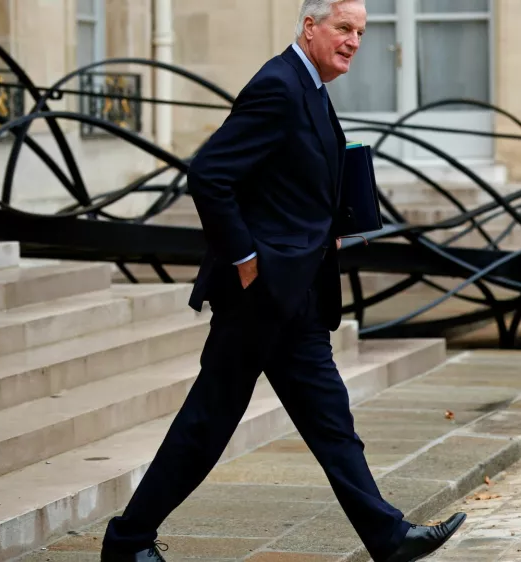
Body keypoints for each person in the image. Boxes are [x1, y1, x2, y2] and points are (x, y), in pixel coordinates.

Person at [99, 1, 465, 561]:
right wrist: (245, 258)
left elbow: (292, 180)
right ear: (309, 27)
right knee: (208, 424)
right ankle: (128, 540)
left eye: (361, 33)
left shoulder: (311, 86)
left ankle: (388, 539)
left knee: (331, 423)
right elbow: (209, 173)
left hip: (296, 297)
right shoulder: (278, 85)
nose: (353, 41)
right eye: (344, 28)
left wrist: (336, 225)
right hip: (260, 297)